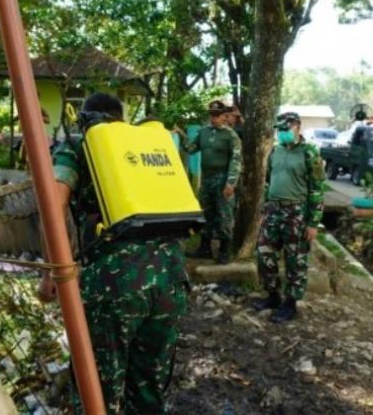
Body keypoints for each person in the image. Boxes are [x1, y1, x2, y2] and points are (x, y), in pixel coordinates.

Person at [38, 92, 188, 414]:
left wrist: (50, 270)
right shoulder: (149, 147)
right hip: (171, 278)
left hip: (114, 284)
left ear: (86, 119)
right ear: (120, 118)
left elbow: (54, 202)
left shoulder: (82, 145)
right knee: (148, 388)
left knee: (97, 394)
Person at [253, 112, 324, 323]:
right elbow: (269, 182)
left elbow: (317, 189)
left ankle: (291, 303)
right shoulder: (276, 151)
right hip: (273, 210)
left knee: (296, 260)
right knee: (264, 253)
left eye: (287, 128)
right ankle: (273, 296)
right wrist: (265, 210)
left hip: (297, 213)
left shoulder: (310, 152)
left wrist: (313, 223)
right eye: (280, 129)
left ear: (298, 127)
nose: (282, 132)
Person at [180, 100, 242, 264]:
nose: (213, 118)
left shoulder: (231, 135)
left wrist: (231, 183)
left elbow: (236, 160)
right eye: (211, 115)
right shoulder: (204, 132)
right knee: (206, 213)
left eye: (217, 115)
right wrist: (181, 135)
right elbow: (192, 149)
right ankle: (204, 248)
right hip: (207, 180)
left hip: (223, 180)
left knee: (224, 215)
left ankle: (224, 251)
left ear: (224, 116)